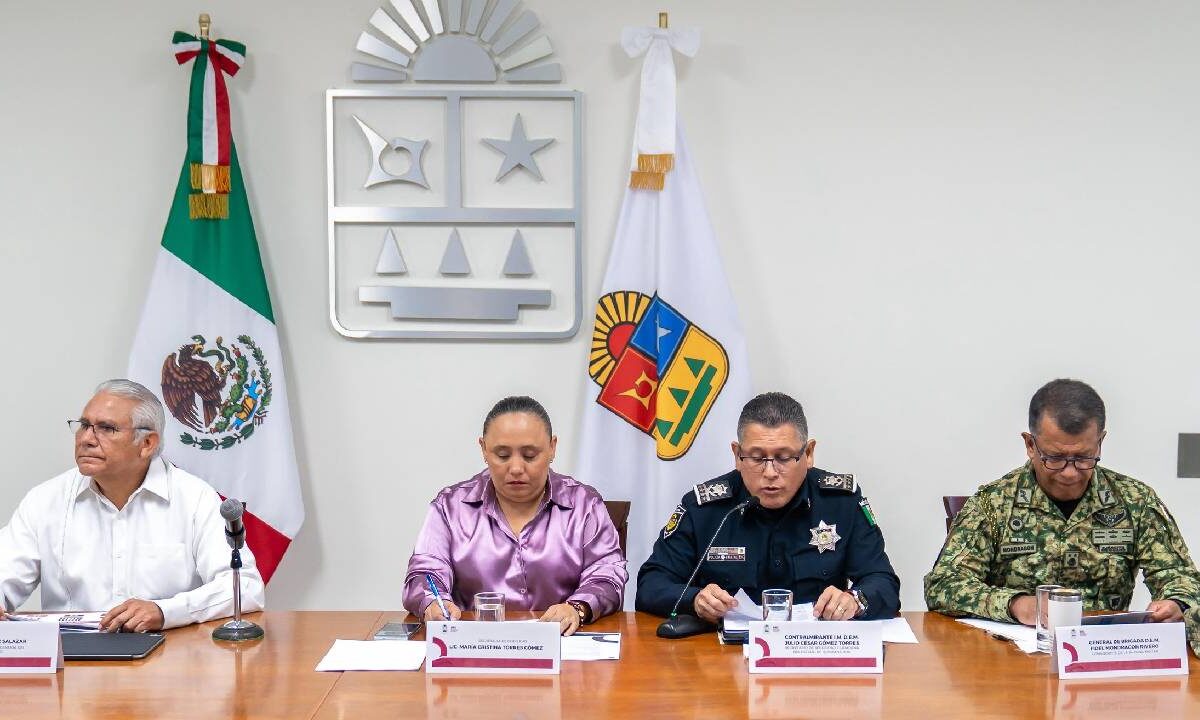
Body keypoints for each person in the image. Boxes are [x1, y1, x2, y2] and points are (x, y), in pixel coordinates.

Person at [925, 378, 1200, 623]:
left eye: (1083, 457)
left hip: (1102, 655)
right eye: (1055, 458)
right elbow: (942, 585)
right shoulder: (993, 504)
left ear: (1100, 443)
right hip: (1011, 659)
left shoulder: (1134, 502)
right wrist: (1015, 604)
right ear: (1030, 445)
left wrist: (1176, 603)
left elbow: (1182, 577)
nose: (1069, 473)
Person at [0, 379, 264, 631]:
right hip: (71, 660)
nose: (86, 439)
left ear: (147, 444)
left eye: (106, 428)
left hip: (169, 657)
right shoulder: (45, 500)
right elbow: (5, 574)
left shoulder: (193, 498)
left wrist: (164, 611)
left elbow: (245, 588)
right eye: (83, 425)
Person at [636, 392, 900, 624]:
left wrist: (854, 600)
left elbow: (884, 582)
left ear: (808, 454)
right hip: (724, 660)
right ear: (737, 455)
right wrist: (695, 600)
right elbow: (651, 583)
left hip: (815, 653)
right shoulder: (706, 508)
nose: (770, 472)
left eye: (784, 457)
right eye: (756, 457)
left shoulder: (841, 503)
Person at [403, 396, 627, 635]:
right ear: (483, 449)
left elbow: (607, 572)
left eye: (530, 455)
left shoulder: (585, 505)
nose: (517, 468)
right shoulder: (450, 507)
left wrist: (577, 608)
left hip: (562, 647)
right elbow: (425, 571)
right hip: (476, 648)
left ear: (552, 448)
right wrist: (434, 604)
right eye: (502, 455)